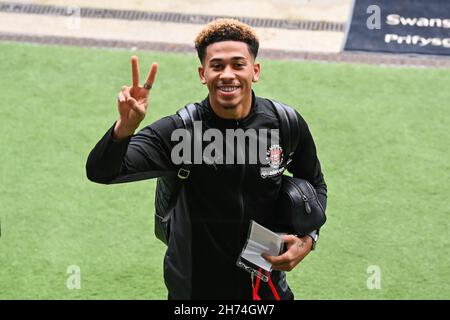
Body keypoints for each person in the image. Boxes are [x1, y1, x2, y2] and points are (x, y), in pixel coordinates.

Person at [86, 18, 327, 300]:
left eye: (238, 64)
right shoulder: (179, 132)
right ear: (203, 74)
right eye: (217, 66)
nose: (228, 74)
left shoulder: (285, 124)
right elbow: (101, 172)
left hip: (266, 287)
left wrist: (309, 238)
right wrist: (124, 128)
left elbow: (314, 183)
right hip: (195, 291)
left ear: (255, 70)